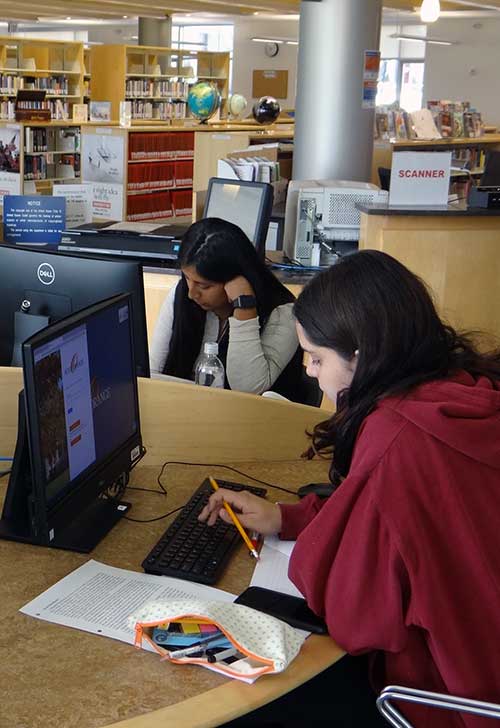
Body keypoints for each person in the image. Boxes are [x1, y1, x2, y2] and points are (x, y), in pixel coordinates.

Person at [200, 250, 500, 727]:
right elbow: (401, 524)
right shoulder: (463, 388)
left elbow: (358, 618)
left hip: (439, 699)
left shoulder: (397, 437)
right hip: (483, 673)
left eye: (317, 357)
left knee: (239, 702)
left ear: (362, 355)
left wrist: (313, 544)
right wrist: (289, 517)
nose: (309, 371)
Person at [150, 217, 303, 399]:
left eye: (204, 286)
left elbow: (247, 389)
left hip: (257, 421)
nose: (192, 294)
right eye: (187, 278)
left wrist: (244, 306)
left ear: (236, 279)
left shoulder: (283, 313)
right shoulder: (182, 294)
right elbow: (153, 373)